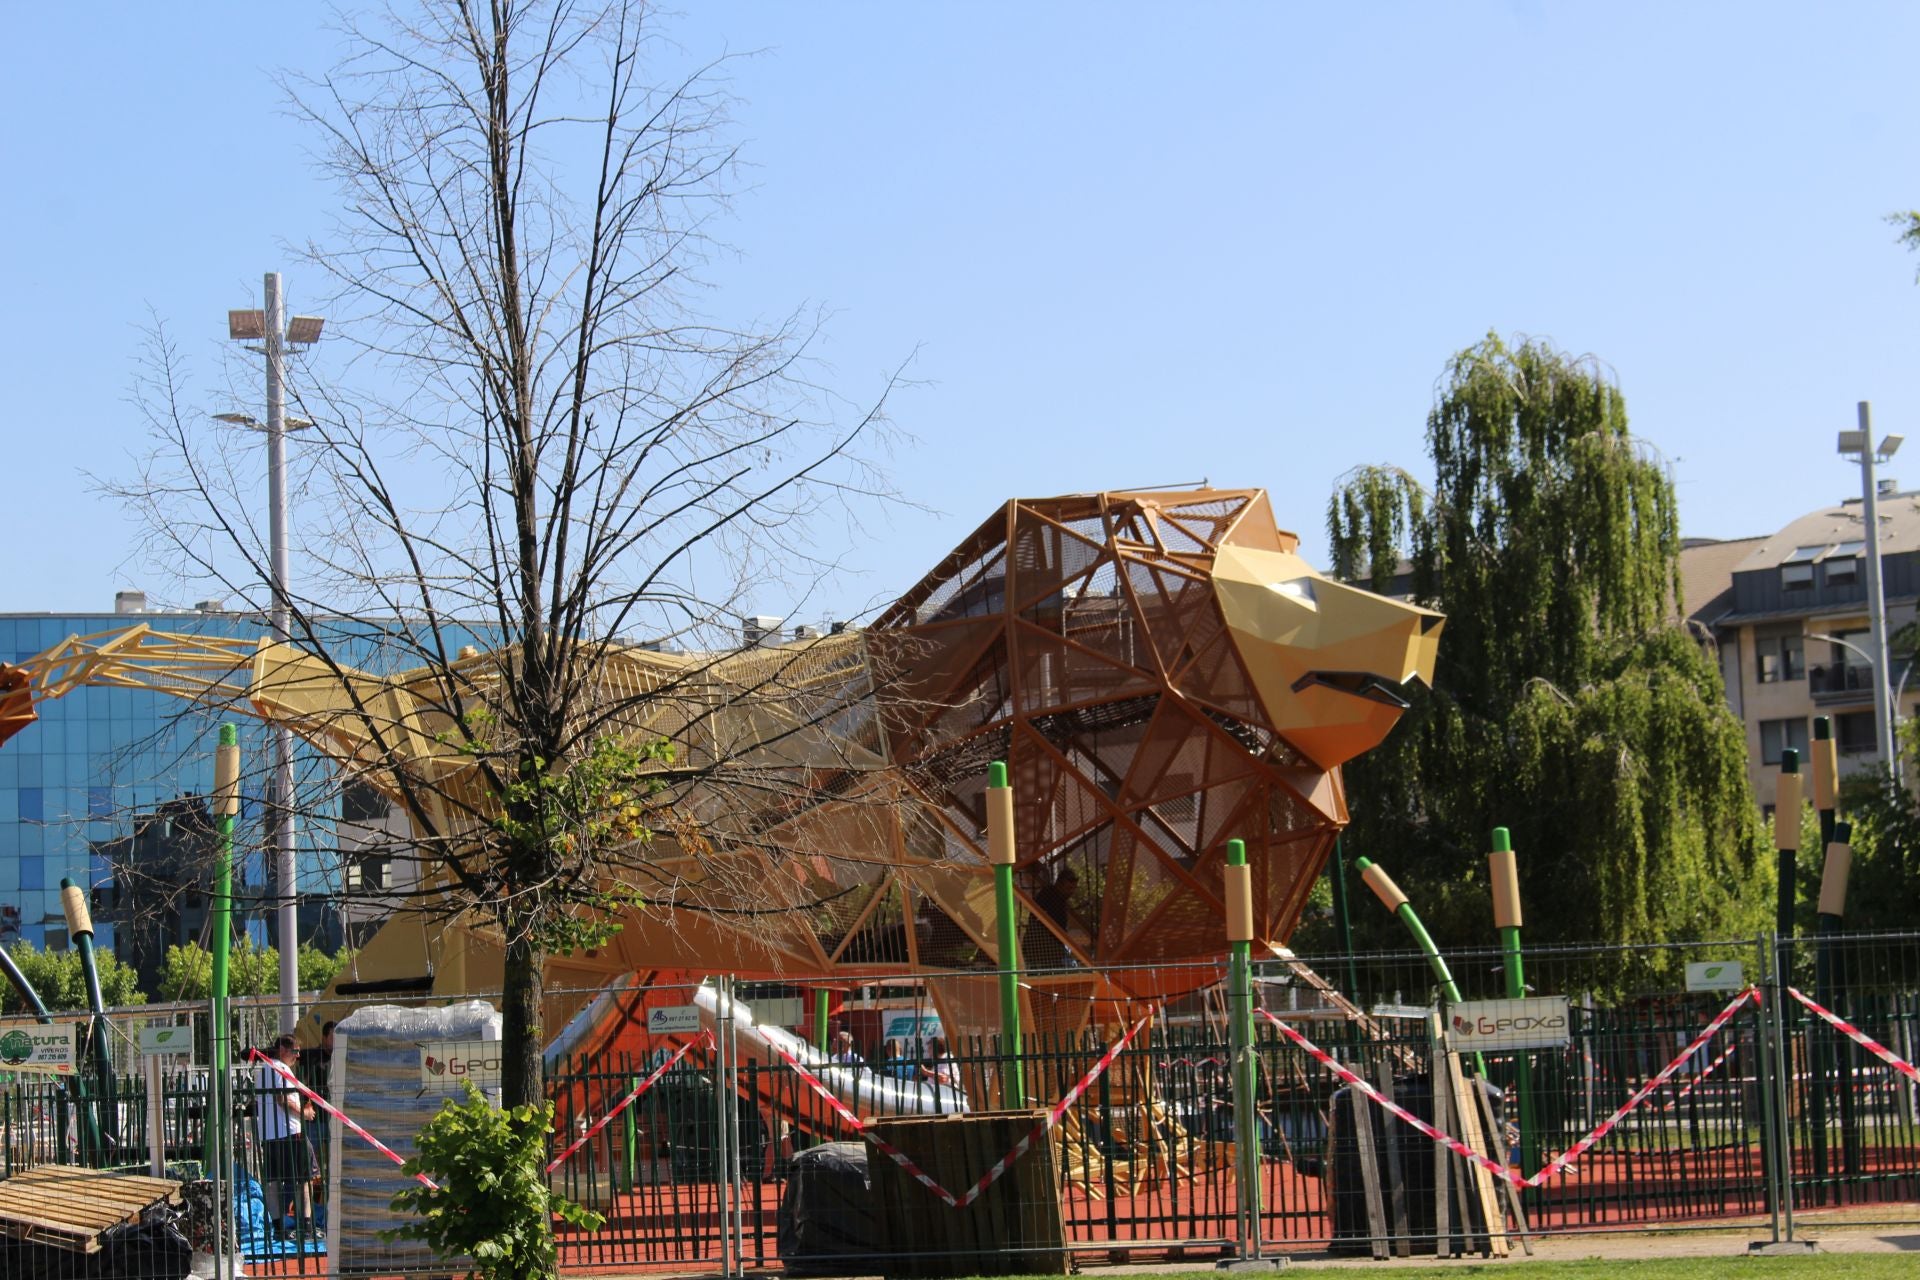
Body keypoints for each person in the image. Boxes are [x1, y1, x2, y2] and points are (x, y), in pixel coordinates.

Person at [254, 1034, 316, 1237]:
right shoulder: (281, 1069)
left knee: (273, 1182)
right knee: (304, 1179)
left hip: (269, 1135)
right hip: (290, 1133)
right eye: (295, 1052)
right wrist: (304, 1113)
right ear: (283, 1051)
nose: (297, 1056)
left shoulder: (263, 1070)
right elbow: (282, 1099)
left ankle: (279, 1226)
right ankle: (306, 1226)